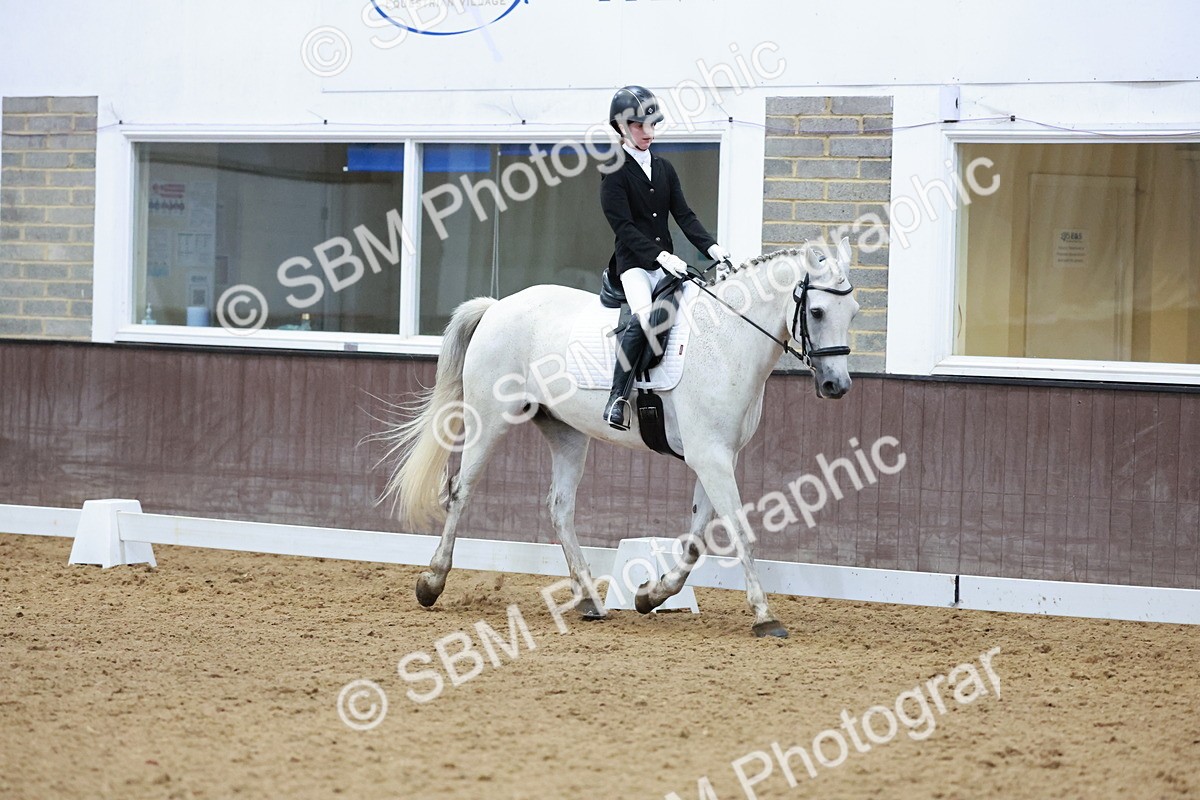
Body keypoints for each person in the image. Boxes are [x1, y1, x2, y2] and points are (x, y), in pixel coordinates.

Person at [600, 85, 730, 430]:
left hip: (665, 265)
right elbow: (624, 228)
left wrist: (713, 249)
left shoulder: (664, 168)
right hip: (634, 266)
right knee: (644, 319)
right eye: (639, 126)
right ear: (621, 127)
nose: (649, 133)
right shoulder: (613, 171)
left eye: (652, 125)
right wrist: (660, 256)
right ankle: (616, 398)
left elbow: (684, 216)